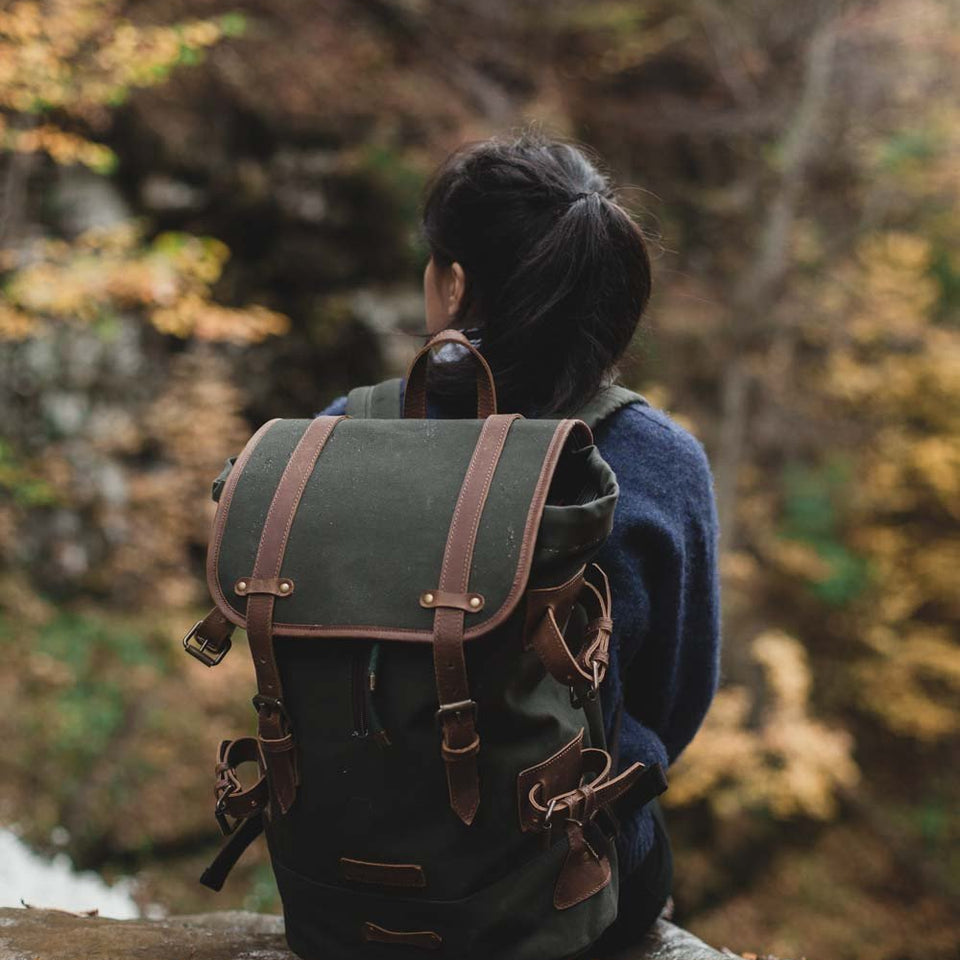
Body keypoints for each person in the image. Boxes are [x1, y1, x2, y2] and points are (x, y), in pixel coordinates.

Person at [320, 132, 721, 954]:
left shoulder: (336, 437)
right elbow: (674, 705)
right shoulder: (659, 461)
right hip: (568, 880)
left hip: (343, 866)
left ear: (455, 284)